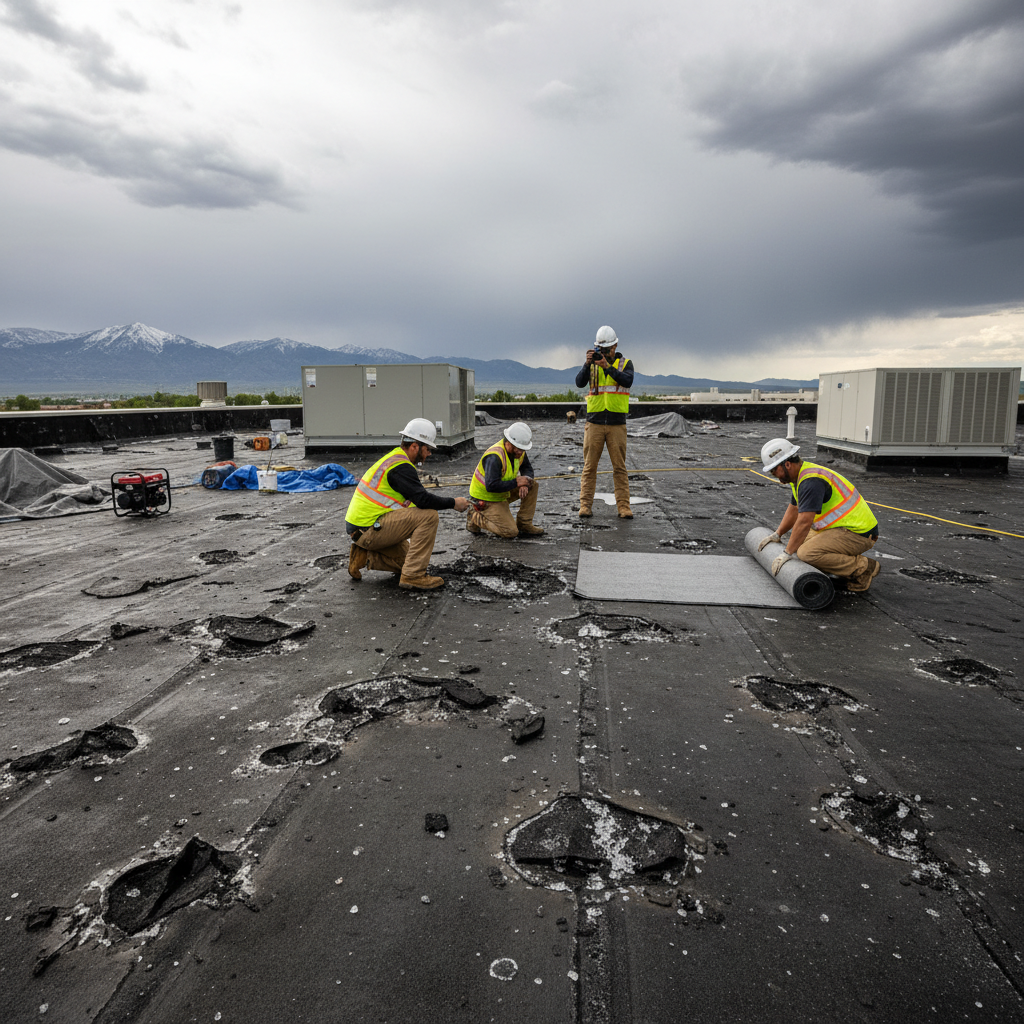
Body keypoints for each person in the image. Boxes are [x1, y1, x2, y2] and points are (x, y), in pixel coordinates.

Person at [345, 418, 470, 590]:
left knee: (408, 561)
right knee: (429, 516)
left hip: (364, 527)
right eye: (427, 449)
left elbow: (411, 504)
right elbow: (424, 500)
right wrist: (453, 502)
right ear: (414, 447)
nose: (429, 454)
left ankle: (364, 556)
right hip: (368, 528)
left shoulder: (395, 459)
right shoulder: (401, 467)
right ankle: (413, 577)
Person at [757, 439, 881, 592]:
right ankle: (838, 568)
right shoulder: (800, 477)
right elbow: (794, 509)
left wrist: (786, 553)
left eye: (774, 470)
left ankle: (863, 568)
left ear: (787, 464)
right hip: (841, 527)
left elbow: (804, 521)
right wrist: (777, 534)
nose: (774, 475)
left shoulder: (811, 482)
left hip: (859, 533)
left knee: (807, 553)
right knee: (797, 543)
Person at [575, 325, 634, 518]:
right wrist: (586, 364)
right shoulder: (592, 364)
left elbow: (627, 381)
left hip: (617, 423)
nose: (604, 353)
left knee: (619, 467)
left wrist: (607, 367)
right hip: (594, 422)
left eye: (607, 349)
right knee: (589, 467)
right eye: (601, 349)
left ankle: (624, 507)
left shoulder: (625, 364)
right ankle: (585, 506)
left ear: (615, 346)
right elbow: (579, 382)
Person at [467, 421, 544, 538]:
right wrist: (517, 482)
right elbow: (491, 486)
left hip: (502, 492)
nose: (520, 452)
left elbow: (527, 468)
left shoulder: (519, 451)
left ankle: (524, 524)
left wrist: (525, 482)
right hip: (486, 498)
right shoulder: (494, 457)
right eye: (518, 449)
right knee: (510, 532)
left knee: (532, 484)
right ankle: (476, 516)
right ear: (508, 442)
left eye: (522, 449)